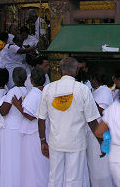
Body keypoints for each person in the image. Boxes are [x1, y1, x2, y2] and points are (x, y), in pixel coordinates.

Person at [36, 57, 101, 186]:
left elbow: (41, 119)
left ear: (60, 70)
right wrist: (102, 142)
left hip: (56, 142)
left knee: (55, 177)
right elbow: (92, 122)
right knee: (74, 179)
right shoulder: (83, 90)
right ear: (77, 71)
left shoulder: (48, 89)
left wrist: (43, 141)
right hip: (76, 143)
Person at [10, 67, 50, 187]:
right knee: (42, 163)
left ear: (32, 80)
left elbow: (30, 115)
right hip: (43, 131)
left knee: (33, 165)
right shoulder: (46, 91)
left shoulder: (34, 94)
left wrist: (18, 106)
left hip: (33, 134)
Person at [0, 67, 29, 187]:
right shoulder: (28, 90)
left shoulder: (13, 91)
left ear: (13, 78)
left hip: (12, 128)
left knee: (11, 159)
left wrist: (1, 104)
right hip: (23, 126)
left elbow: (4, 111)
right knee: (21, 159)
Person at [87, 68, 114, 186]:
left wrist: (89, 99)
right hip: (92, 133)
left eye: (91, 79)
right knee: (93, 165)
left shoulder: (105, 91)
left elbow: (102, 111)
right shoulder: (96, 91)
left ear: (95, 79)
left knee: (100, 166)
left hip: (100, 132)